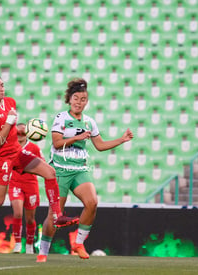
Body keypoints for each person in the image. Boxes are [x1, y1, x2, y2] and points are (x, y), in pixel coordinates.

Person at [0, 73, 77, 254]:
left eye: (2, 85)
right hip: (0, 158)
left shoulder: (10, 102)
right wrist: (9, 122)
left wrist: (21, 127)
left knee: (50, 173)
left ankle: (57, 216)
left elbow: (11, 131)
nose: (2, 89)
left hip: (16, 153)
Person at [36, 78, 134, 262]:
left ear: (87, 101)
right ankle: (43, 250)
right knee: (55, 216)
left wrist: (121, 139)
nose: (79, 102)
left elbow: (100, 145)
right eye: (76, 98)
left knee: (92, 202)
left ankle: (79, 243)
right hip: (60, 170)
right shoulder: (61, 118)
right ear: (69, 99)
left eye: (83, 99)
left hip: (80, 169)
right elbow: (57, 144)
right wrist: (78, 137)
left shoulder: (89, 122)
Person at [8, 123, 42, 254]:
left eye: (22, 133)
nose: (20, 136)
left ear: (28, 134)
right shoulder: (10, 147)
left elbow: (41, 164)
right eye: (17, 133)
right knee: (17, 213)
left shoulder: (34, 148)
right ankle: (17, 243)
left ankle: (29, 245)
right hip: (15, 182)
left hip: (31, 184)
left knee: (30, 219)